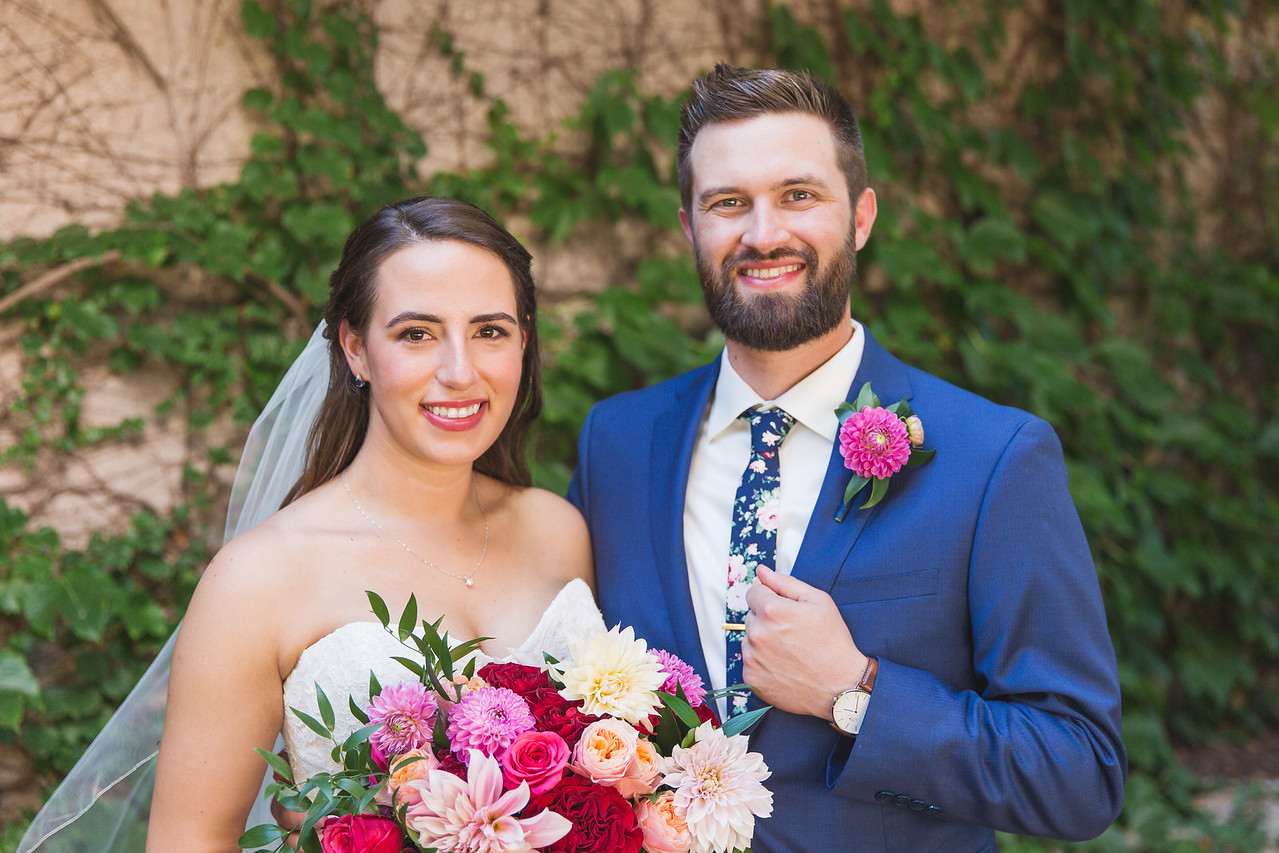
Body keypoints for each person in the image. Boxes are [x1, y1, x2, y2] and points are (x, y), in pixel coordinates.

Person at [567, 64, 1127, 850]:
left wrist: (853, 691)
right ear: (689, 228)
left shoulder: (992, 459)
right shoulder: (618, 443)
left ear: (860, 216)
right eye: (728, 203)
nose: (763, 234)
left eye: (798, 195)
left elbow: (1077, 773)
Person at [18, 197, 602, 852]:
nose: (459, 371)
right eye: (416, 334)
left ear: (524, 339)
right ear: (355, 349)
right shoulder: (258, 579)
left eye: (489, 331)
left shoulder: (558, 531)